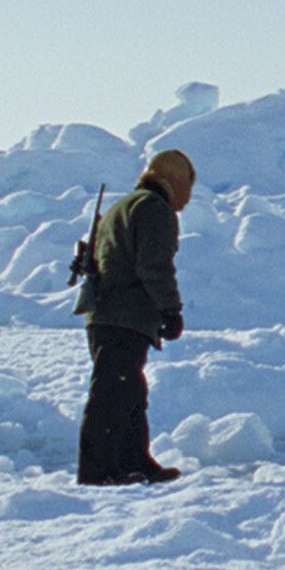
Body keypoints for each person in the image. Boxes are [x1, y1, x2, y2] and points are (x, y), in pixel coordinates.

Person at [77, 149, 193, 486]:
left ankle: (134, 461)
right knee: (113, 395)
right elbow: (154, 266)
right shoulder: (154, 209)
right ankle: (98, 472)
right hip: (125, 316)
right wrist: (170, 309)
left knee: (130, 392)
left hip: (102, 314)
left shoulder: (122, 206)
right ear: (176, 180)